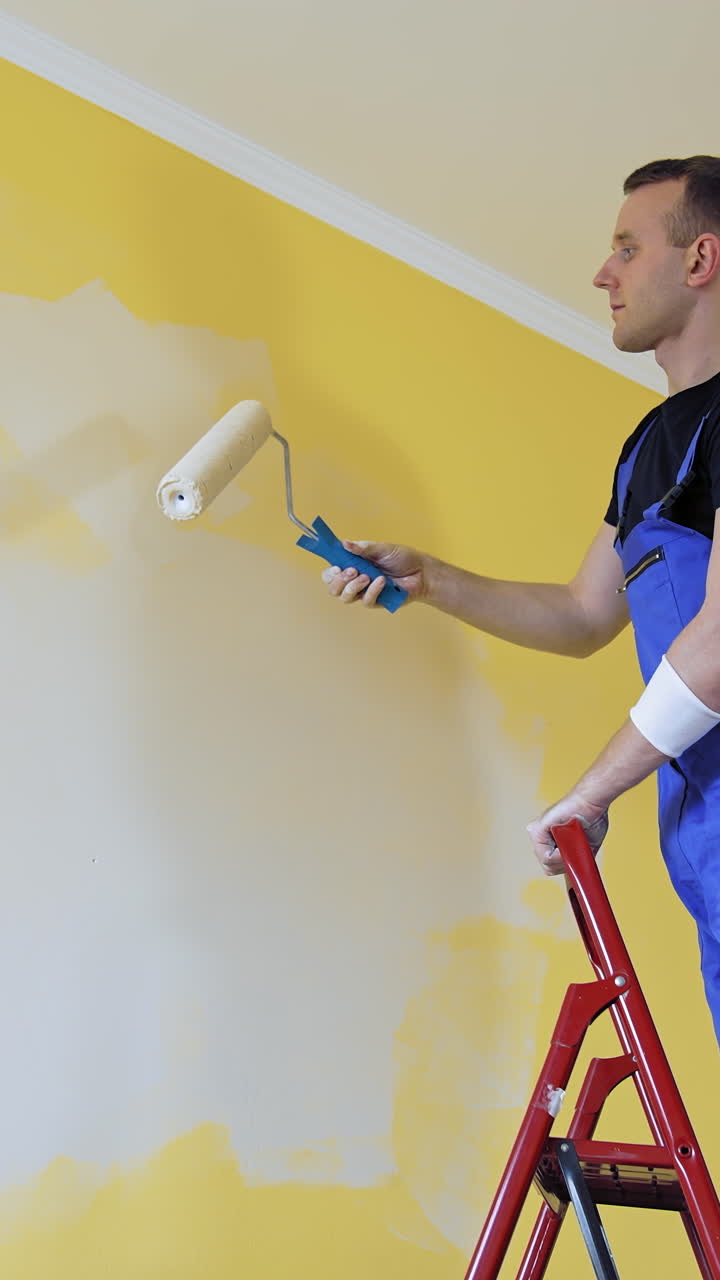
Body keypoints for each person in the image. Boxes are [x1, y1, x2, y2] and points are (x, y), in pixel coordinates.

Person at [321, 156, 720, 1043]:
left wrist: (589, 792)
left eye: (626, 246)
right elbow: (584, 615)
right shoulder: (653, 444)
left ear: (700, 260)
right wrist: (431, 580)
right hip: (703, 840)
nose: (600, 273)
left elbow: (719, 644)